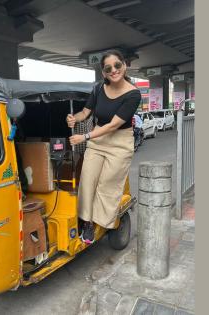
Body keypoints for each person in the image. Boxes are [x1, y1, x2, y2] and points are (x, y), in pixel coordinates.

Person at [66, 50, 141, 244]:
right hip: (99, 140)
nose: (114, 70)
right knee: (87, 180)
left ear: (124, 65)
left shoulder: (133, 93)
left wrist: (84, 136)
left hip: (120, 142)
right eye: (109, 68)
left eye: (117, 65)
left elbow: (113, 125)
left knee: (107, 184)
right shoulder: (99, 88)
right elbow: (85, 112)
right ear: (104, 72)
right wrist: (75, 118)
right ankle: (88, 223)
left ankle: (102, 220)